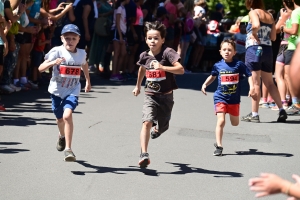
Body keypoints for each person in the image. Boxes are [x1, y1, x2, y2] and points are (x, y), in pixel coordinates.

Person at [132, 21, 184, 168]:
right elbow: (142, 70)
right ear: (146, 39)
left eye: (156, 38)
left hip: (166, 96)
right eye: (149, 38)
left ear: (162, 39)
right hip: (150, 95)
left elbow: (181, 70)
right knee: (146, 122)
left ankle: (158, 130)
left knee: (164, 126)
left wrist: (162, 67)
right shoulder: (144, 55)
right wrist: (138, 86)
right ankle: (144, 154)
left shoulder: (168, 52)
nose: (152, 41)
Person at [38, 24, 91, 161]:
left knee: (67, 116)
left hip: (73, 89)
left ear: (78, 39)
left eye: (74, 38)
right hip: (56, 90)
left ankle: (68, 149)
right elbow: (40, 68)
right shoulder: (56, 51)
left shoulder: (81, 53)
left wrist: (88, 81)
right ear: (62, 38)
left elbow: (84, 64)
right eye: (67, 38)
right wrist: (52, 63)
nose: (70, 41)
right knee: (59, 118)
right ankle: (61, 136)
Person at [201, 39, 256, 156]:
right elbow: (213, 76)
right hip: (220, 97)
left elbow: (249, 75)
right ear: (220, 52)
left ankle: (219, 143)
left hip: (234, 100)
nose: (227, 52)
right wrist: (205, 84)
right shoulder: (218, 65)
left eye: (230, 50)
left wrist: (252, 87)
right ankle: (219, 146)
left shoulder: (239, 65)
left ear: (234, 52)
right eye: (224, 50)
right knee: (221, 121)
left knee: (235, 123)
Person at [241, 0, 288, 123]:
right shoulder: (269, 15)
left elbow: (255, 25)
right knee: (270, 83)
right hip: (267, 50)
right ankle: (281, 109)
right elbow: (273, 37)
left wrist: (255, 34)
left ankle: (255, 114)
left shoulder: (253, 12)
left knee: (256, 82)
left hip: (254, 49)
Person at [280, 0, 300, 115]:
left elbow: (294, 30)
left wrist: (283, 28)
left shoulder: (296, 12)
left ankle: (296, 104)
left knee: (289, 75)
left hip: (293, 46)